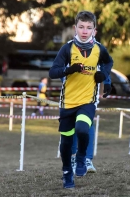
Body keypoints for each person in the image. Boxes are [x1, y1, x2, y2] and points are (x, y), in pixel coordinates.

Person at [49, 10, 113, 189]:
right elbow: (53, 71)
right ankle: (67, 173)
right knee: (66, 142)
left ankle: (82, 157)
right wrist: (68, 70)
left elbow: (108, 62)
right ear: (75, 28)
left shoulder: (100, 49)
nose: (85, 31)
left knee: (83, 129)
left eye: (89, 28)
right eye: (81, 27)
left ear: (95, 30)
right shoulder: (67, 48)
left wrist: (104, 75)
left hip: (87, 101)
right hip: (67, 102)